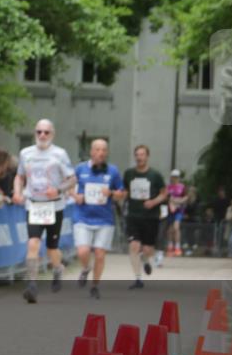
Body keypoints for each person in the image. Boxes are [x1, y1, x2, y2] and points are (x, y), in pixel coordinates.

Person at [12, 119, 76, 304]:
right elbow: (19, 176)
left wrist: (58, 190)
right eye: (39, 132)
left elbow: (72, 179)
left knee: (51, 248)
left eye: (46, 132)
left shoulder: (59, 154)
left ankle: (57, 268)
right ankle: (31, 284)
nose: (42, 135)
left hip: (54, 205)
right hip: (34, 204)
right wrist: (17, 192)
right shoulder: (26, 153)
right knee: (33, 243)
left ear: (52, 134)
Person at [72, 139, 125, 299]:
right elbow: (67, 187)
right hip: (83, 217)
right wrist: (76, 196)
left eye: (103, 150)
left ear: (107, 152)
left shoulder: (113, 171)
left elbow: (121, 193)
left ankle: (95, 285)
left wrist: (112, 193)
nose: (100, 153)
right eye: (97, 149)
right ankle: (85, 268)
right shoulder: (80, 169)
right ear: (91, 151)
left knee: (100, 254)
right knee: (83, 250)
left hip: (104, 219)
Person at [123, 145, 168, 289]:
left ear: (147, 156)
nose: (139, 157)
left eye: (142, 154)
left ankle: (145, 260)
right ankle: (138, 279)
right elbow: (124, 191)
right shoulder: (129, 174)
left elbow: (164, 193)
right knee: (134, 246)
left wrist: (154, 201)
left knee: (148, 250)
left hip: (150, 217)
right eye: (137, 154)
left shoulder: (155, 175)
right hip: (133, 216)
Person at [166, 169, 187, 257]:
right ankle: (170, 246)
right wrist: (171, 202)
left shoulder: (182, 187)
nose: (174, 178)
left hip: (179, 210)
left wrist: (179, 201)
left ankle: (177, 247)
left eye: (176, 177)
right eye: (173, 177)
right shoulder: (168, 187)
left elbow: (185, 197)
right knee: (170, 229)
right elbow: (166, 197)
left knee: (176, 227)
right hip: (170, 210)